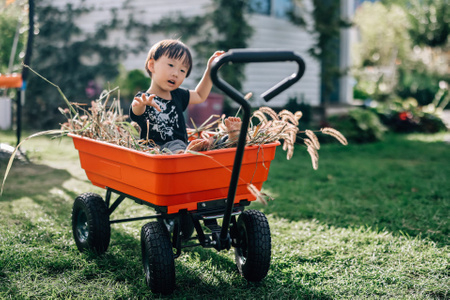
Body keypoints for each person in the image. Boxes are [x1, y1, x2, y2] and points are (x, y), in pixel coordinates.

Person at [130, 39, 225, 154]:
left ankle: (232, 137)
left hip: (181, 146)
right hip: (156, 150)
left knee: (215, 141)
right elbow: (137, 112)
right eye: (171, 65)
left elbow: (200, 95)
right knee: (177, 144)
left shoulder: (178, 95)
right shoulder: (145, 98)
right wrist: (140, 105)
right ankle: (187, 152)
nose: (176, 73)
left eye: (182, 70)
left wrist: (210, 69)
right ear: (152, 65)